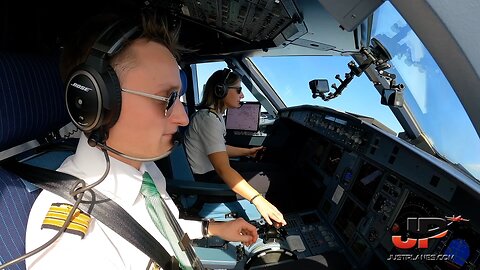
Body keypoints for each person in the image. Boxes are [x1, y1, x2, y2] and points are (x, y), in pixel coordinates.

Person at [25, 13, 258, 270]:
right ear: (97, 101)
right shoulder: (74, 249)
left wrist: (212, 228)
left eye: (179, 98)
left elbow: (156, 226)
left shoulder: (142, 170)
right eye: (166, 99)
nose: (183, 119)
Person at [184, 69, 287, 226]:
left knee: (271, 168)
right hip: (208, 182)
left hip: (210, 174)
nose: (242, 95)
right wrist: (258, 200)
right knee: (278, 177)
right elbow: (223, 170)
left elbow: (220, 149)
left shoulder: (211, 116)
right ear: (221, 90)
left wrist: (249, 152)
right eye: (238, 90)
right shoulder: (208, 120)